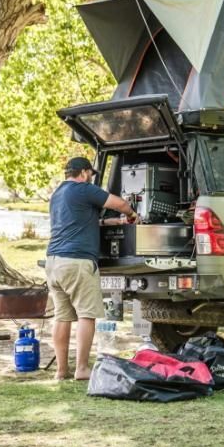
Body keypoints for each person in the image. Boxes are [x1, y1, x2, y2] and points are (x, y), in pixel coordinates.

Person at [46, 156, 137, 380]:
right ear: (85, 172)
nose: (91, 178)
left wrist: (109, 223)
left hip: (54, 262)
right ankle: (82, 368)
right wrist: (132, 215)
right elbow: (121, 204)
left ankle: (61, 371)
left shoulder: (58, 194)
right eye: (91, 174)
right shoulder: (84, 189)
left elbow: (78, 221)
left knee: (62, 317)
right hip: (77, 262)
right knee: (87, 315)